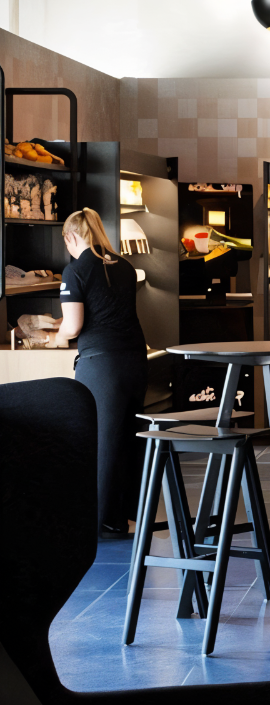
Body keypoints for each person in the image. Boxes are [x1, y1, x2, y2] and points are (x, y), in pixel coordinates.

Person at [47, 208, 147, 538]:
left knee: (100, 442)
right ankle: (126, 517)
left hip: (102, 365)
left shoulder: (75, 270)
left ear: (71, 236)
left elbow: (74, 326)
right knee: (129, 439)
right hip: (135, 360)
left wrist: (54, 337)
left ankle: (101, 523)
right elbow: (105, 309)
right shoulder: (125, 266)